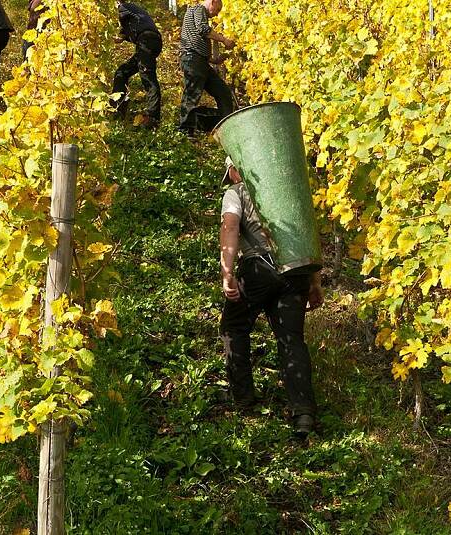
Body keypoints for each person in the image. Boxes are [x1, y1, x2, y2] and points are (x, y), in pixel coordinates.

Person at [218, 156, 324, 436]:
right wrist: (314, 280)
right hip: (296, 271)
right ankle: (303, 414)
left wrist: (227, 272)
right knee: (291, 339)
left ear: (235, 170)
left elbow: (229, 227)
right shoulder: (287, 188)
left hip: (257, 269)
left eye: (230, 172)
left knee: (234, 327)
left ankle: (243, 398)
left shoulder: (235, 193)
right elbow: (306, 230)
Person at [178, 0, 236, 134]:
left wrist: (215, 60)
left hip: (200, 61)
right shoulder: (198, 9)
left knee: (223, 92)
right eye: (217, 9)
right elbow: (203, 30)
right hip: (193, 60)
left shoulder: (197, 13)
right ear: (213, 2)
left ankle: (227, 129)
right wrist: (224, 40)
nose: (216, 14)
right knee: (192, 94)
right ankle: (185, 131)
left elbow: (197, 41)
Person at [111, 0, 162, 128]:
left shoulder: (124, 7)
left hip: (147, 41)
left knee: (148, 77)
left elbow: (114, 17)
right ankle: (118, 110)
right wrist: (120, 37)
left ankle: (152, 118)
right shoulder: (132, 15)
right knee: (122, 72)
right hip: (149, 42)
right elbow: (122, 34)